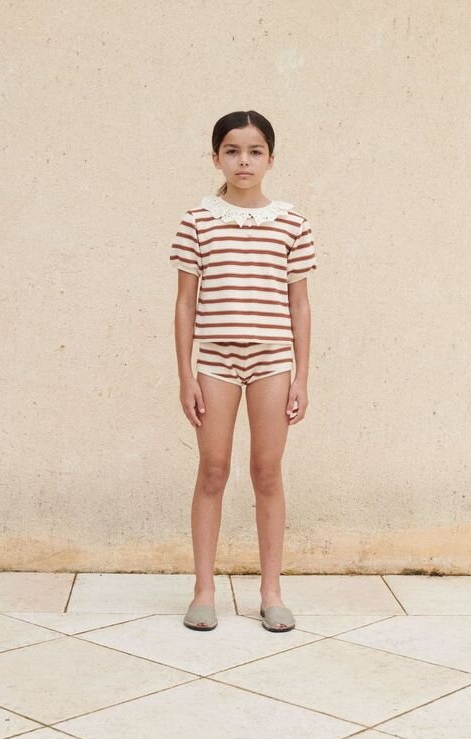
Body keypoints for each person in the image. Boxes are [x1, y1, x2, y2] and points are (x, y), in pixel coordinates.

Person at [169, 110, 317, 633]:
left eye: (255, 151)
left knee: (267, 472)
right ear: (216, 158)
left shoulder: (292, 224)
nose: (244, 161)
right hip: (215, 362)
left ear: (271, 159)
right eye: (232, 151)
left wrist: (301, 376)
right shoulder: (197, 222)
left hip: (272, 361)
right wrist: (186, 375)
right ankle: (203, 590)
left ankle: (271, 592)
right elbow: (185, 303)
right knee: (212, 469)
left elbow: (299, 303)